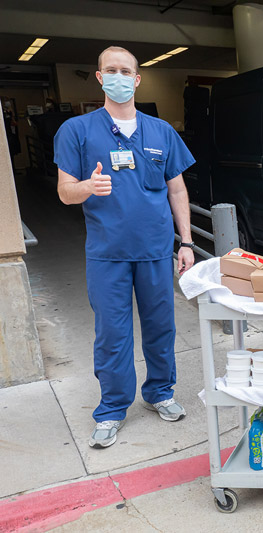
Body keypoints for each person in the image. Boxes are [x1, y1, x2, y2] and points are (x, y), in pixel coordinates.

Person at [54, 46, 196, 448]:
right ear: (99, 77)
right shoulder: (77, 131)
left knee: (160, 328)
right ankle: (113, 409)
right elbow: (65, 191)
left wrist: (185, 242)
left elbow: (178, 188)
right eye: (110, 70)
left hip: (154, 250)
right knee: (112, 334)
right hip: (108, 253)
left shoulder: (161, 131)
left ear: (137, 80)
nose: (118, 76)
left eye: (125, 71)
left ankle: (160, 393)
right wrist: (86, 187)